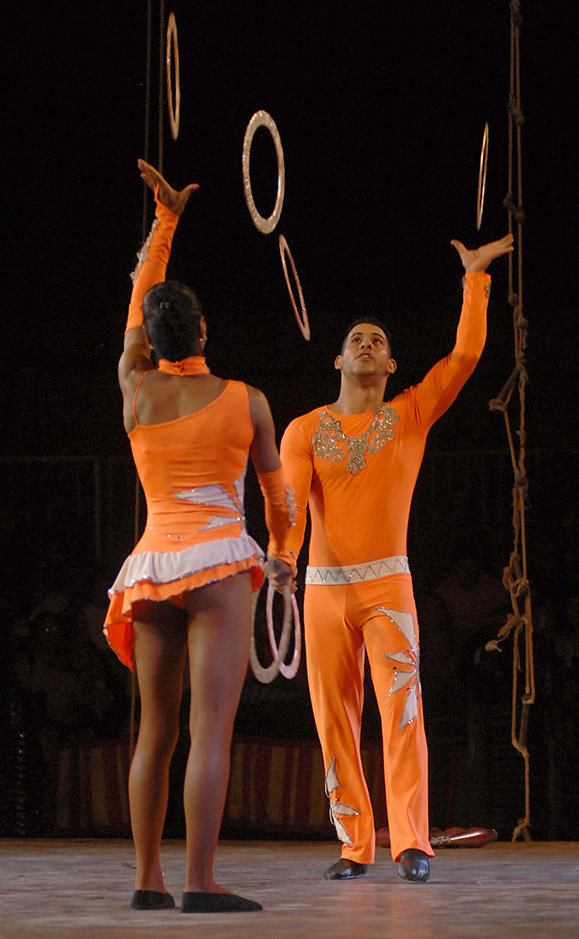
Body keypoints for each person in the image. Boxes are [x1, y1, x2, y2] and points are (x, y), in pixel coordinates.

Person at [280, 232, 513, 883]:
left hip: (388, 587)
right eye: (356, 338)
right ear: (337, 360)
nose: (366, 344)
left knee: (403, 710)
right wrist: (280, 556)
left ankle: (412, 841)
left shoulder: (410, 414)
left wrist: (474, 280)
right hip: (324, 589)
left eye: (377, 341)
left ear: (390, 365)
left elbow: (466, 354)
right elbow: (291, 503)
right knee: (334, 723)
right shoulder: (304, 428)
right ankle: (356, 844)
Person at [103, 160, 294, 913]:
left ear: (150, 339)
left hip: (151, 567)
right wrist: (282, 555)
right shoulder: (247, 400)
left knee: (155, 732)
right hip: (216, 565)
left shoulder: (135, 387)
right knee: (209, 731)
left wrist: (165, 223)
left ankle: (149, 880)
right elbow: (279, 499)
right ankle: (200, 881)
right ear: (205, 331)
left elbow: (133, 309)